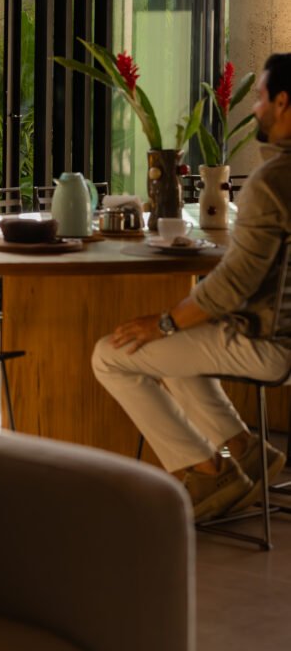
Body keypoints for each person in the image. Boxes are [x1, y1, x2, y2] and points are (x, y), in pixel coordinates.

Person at [92, 52, 291, 522]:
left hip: (270, 342)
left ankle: (207, 472)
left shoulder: (272, 182)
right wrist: (173, 325)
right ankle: (244, 452)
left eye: (261, 97)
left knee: (110, 355)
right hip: (278, 334)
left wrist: (164, 322)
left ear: (283, 102)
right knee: (175, 347)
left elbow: (234, 284)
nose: (255, 108)